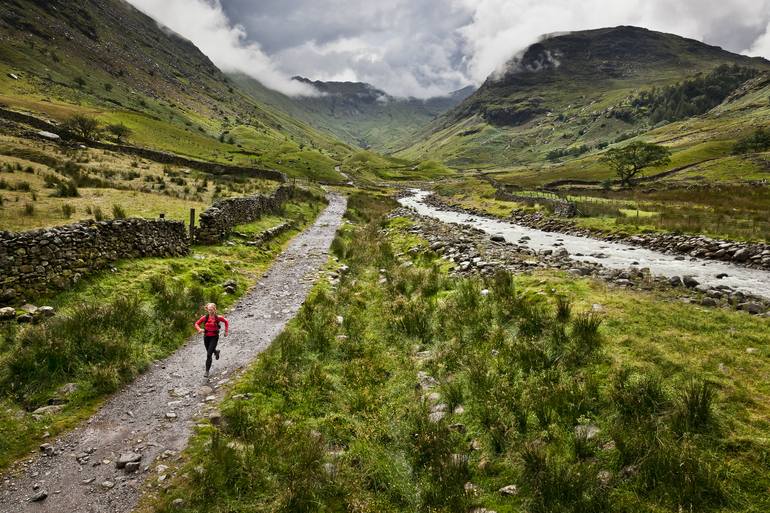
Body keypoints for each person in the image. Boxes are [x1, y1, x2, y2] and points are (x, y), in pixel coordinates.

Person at [194, 303, 229, 377]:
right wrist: (199, 329)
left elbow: (226, 321)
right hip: (206, 337)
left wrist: (226, 331)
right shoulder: (205, 317)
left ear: (214, 309)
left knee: (209, 354)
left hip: (214, 337)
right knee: (209, 350)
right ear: (207, 309)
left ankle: (207, 371)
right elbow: (196, 324)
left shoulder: (218, 317)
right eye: (209, 310)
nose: (210, 311)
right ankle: (216, 351)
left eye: (211, 310)